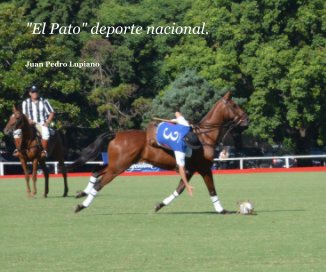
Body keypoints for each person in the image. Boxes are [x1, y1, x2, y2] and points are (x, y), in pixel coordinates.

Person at [156, 112, 201, 196]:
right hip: (159, 139)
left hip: (163, 125)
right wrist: (187, 185)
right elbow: (181, 169)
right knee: (189, 154)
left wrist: (177, 120)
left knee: (189, 152)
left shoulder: (186, 126)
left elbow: (177, 113)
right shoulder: (179, 149)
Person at [13, 85, 55, 158]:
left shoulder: (44, 101)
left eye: (36, 92)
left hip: (40, 123)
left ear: (38, 93)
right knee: (16, 132)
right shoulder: (25, 102)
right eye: (33, 92)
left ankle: (44, 151)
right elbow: (24, 114)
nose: (35, 93)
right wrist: (28, 120)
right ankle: (18, 150)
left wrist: (47, 122)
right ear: (30, 93)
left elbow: (51, 112)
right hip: (29, 124)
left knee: (46, 133)